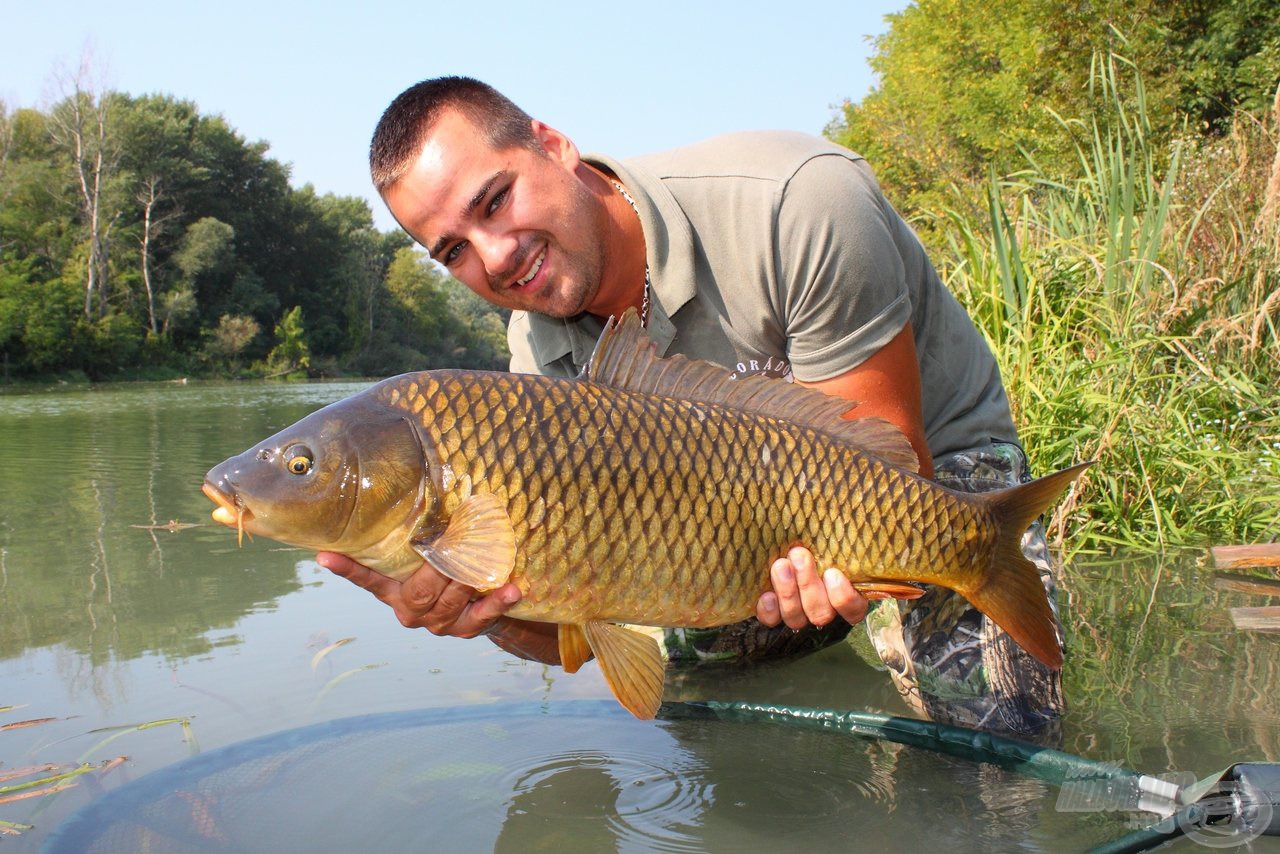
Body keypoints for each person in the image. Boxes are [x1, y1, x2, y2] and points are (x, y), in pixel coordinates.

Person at [317, 76, 1063, 735]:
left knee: (1001, 738)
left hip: (931, 482)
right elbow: (580, 617)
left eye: (495, 200)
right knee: (702, 708)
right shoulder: (535, 357)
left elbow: (893, 459)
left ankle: (988, 579)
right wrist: (479, 614)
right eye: (453, 250)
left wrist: (902, 559)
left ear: (553, 144)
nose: (496, 254)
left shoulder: (797, 200)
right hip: (722, 536)